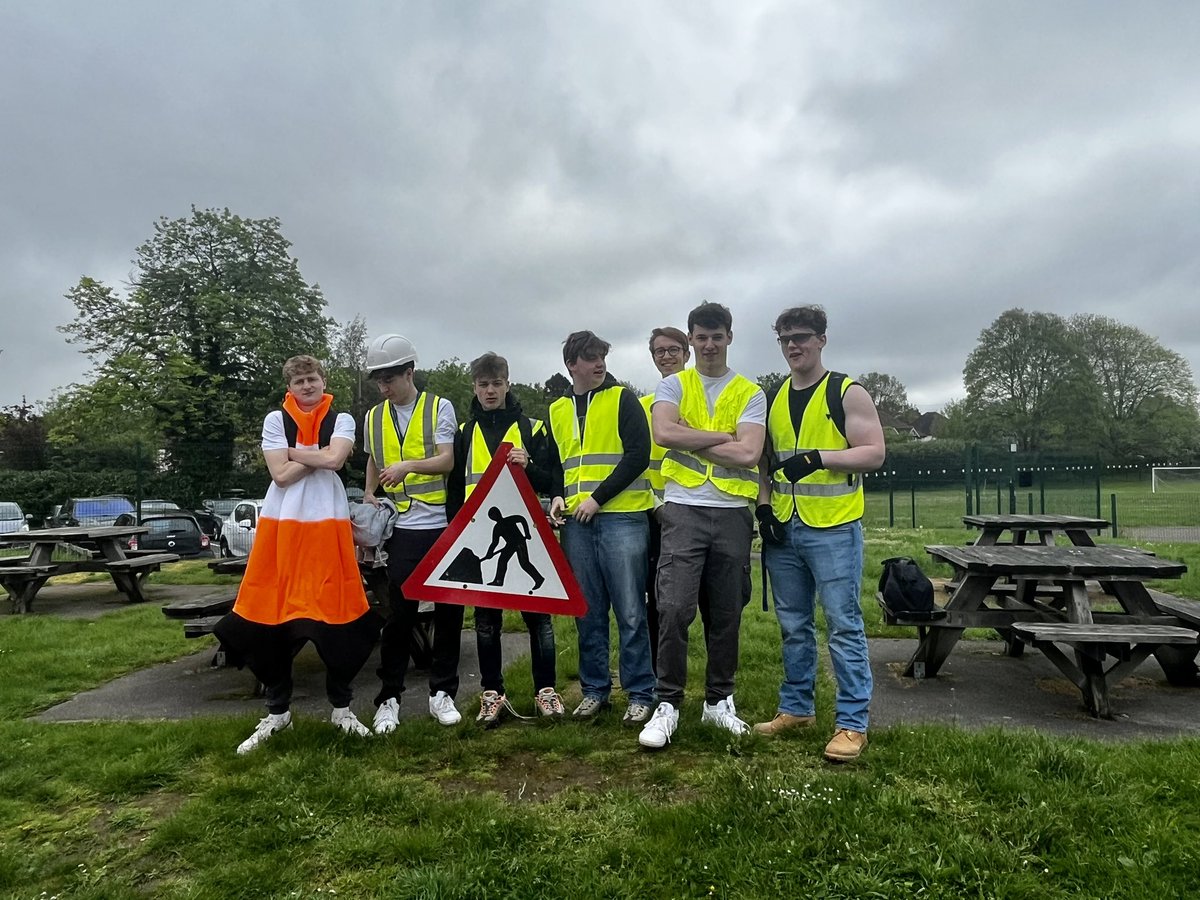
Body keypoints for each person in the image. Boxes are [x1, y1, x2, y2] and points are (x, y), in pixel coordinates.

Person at [214, 355, 379, 754]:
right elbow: (280, 476)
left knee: (336, 615)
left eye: (313, 379)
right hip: (282, 529)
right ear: (290, 386)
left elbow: (335, 460)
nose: (307, 386)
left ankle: (341, 708)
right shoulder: (276, 419)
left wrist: (294, 452)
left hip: (328, 527)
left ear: (324, 381)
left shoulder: (341, 418)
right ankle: (277, 712)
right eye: (299, 381)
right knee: (271, 616)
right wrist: (316, 455)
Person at [753, 305, 886, 762]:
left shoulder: (847, 392)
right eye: (786, 339)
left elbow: (873, 454)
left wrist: (820, 458)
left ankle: (852, 723)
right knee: (793, 625)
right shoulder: (772, 397)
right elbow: (765, 463)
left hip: (833, 528)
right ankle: (797, 708)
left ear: (822, 340)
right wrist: (764, 506)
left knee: (843, 626)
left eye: (802, 337)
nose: (794, 345)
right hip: (784, 528)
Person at [638, 301, 766, 750]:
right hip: (683, 510)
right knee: (672, 607)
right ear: (692, 340)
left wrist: (694, 438)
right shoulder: (672, 385)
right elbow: (664, 434)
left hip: (732, 513)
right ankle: (667, 703)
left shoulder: (751, 393)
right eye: (701, 336)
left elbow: (749, 454)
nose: (709, 344)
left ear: (729, 338)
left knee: (727, 611)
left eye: (717, 336)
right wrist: (721, 438)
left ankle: (719, 701)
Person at [446, 351, 566, 727]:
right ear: (474, 388)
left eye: (497, 383)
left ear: (508, 384)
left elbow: (553, 479)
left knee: (539, 621)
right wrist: (455, 537)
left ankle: (546, 691)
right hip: (479, 537)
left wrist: (529, 464)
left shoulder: (533, 427)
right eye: (483, 385)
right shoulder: (463, 433)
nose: (490, 391)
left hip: (531, 536)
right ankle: (492, 694)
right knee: (485, 623)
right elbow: (454, 492)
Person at [546, 331, 657, 725]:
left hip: (622, 517)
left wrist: (599, 498)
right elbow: (560, 464)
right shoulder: (557, 409)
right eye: (590, 357)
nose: (599, 363)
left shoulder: (622, 399)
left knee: (630, 611)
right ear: (571, 364)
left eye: (601, 357)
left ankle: (641, 692)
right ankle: (595, 690)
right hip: (576, 523)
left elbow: (638, 456)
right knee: (588, 612)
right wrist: (558, 495)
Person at [362, 333, 463, 732]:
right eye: (378, 381)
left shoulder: (440, 407)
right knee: (399, 615)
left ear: (410, 372)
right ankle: (389, 698)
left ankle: (443, 693)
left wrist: (407, 466)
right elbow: (373, 457)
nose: (384, 387)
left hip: (439, 524)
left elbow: (447, 461)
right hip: (401, 527)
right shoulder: (374, 416)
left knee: (449, 612)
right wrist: (370, 492)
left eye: (390, 378)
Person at [641, 326, 711, 673]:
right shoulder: (642, 407)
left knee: (712, 602)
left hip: (704, 508)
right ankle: (659, 674)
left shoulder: (704, 400)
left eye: (673, 350)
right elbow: (638, 462)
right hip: (659, 514)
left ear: (687, 353)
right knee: (660, 600)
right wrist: (656, 506)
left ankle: (718, 684)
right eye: (659, 352)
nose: (666, 357)